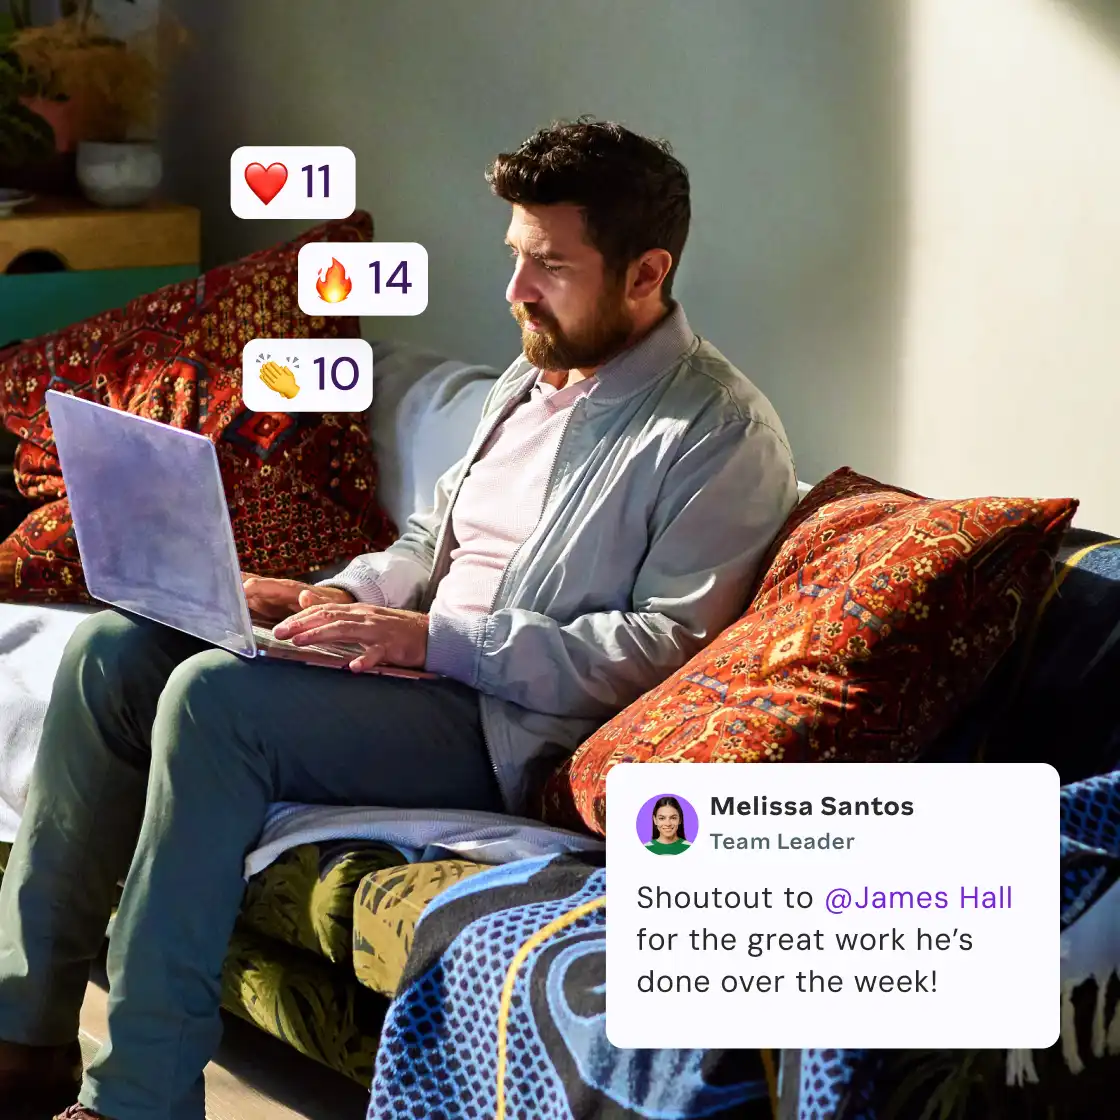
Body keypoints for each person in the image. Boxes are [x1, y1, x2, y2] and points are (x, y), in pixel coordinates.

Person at [0, 118, 797, 1120]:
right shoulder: (533, 376)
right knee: (114, 650)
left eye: (551, 265)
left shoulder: (718, 433)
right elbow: (431, 536)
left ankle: (138, 1099)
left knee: (213, 702)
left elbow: (661, 650)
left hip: (508, 725)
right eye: (516, 255)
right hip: (416, 672)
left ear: (647, 273)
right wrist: (341, 596)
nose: (516, 290)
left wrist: (433, 641)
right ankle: (21, 1040)